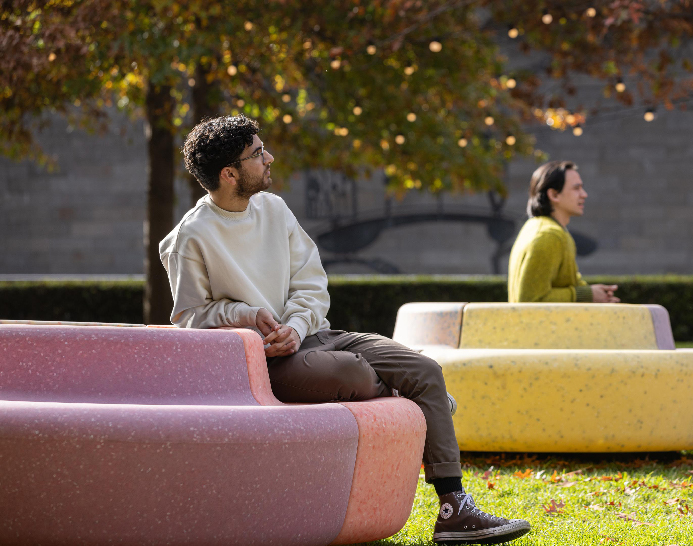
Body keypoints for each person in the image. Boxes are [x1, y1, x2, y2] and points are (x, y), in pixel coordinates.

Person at [160, 115, 530, 545]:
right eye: (258, 154)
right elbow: (189, 318)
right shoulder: (191, 237)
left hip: (313, 336)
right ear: (229, 173)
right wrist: (245, 315)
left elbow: (312, 283)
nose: (269, 158)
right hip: (263, 361)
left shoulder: (274, 209)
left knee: (424, 371)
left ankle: (453, 510)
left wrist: (297, 327)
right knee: (352, 374)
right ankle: (413, 401)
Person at [508, 161, 619, 304]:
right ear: (554, 194)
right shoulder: (548, 235)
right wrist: (586, 294)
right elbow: (531, 300)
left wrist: (596, 294)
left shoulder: (541, 228)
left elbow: (566, 284)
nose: (584, 194)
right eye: (576, 188)